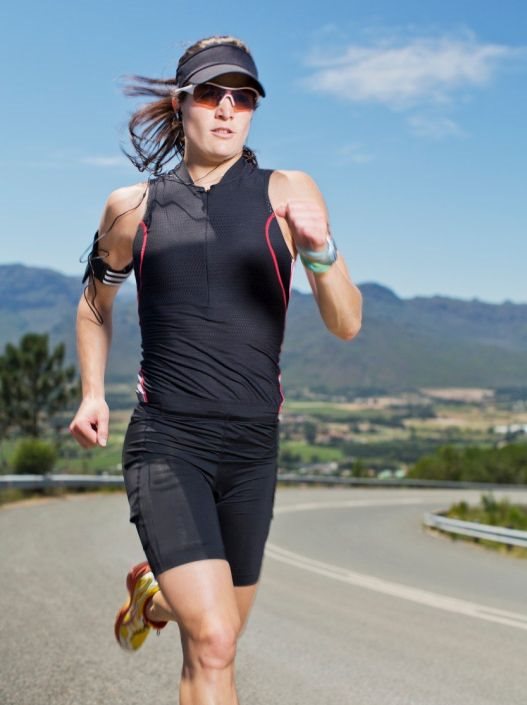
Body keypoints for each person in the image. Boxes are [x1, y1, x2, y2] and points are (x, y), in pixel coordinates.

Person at [69, 34, 362, 705]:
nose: (228, 109)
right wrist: (92, 393)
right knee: (215, 642)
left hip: (253, 449)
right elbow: (93, 305)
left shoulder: (289, 191)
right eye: (210, 93)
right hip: (168, 442)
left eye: (244, 97)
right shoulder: (132, 207)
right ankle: (169, 594)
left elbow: (346, 323)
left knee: (218, 635)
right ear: (181, 104)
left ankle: (154, 595)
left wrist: (319, 252)